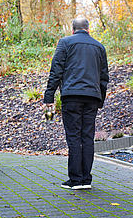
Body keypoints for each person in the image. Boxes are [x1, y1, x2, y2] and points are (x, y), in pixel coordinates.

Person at [44, 18, 109, 190]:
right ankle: (86, 179)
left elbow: (56, 70)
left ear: (73, 30)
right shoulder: (99, 47)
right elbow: (104, 77)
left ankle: (75, 180)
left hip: (72, 96)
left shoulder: (65, 43)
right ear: (88, 29)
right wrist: (100, 99)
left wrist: (49, 97)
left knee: (74, 136)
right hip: (92, 98)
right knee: (87, 137)